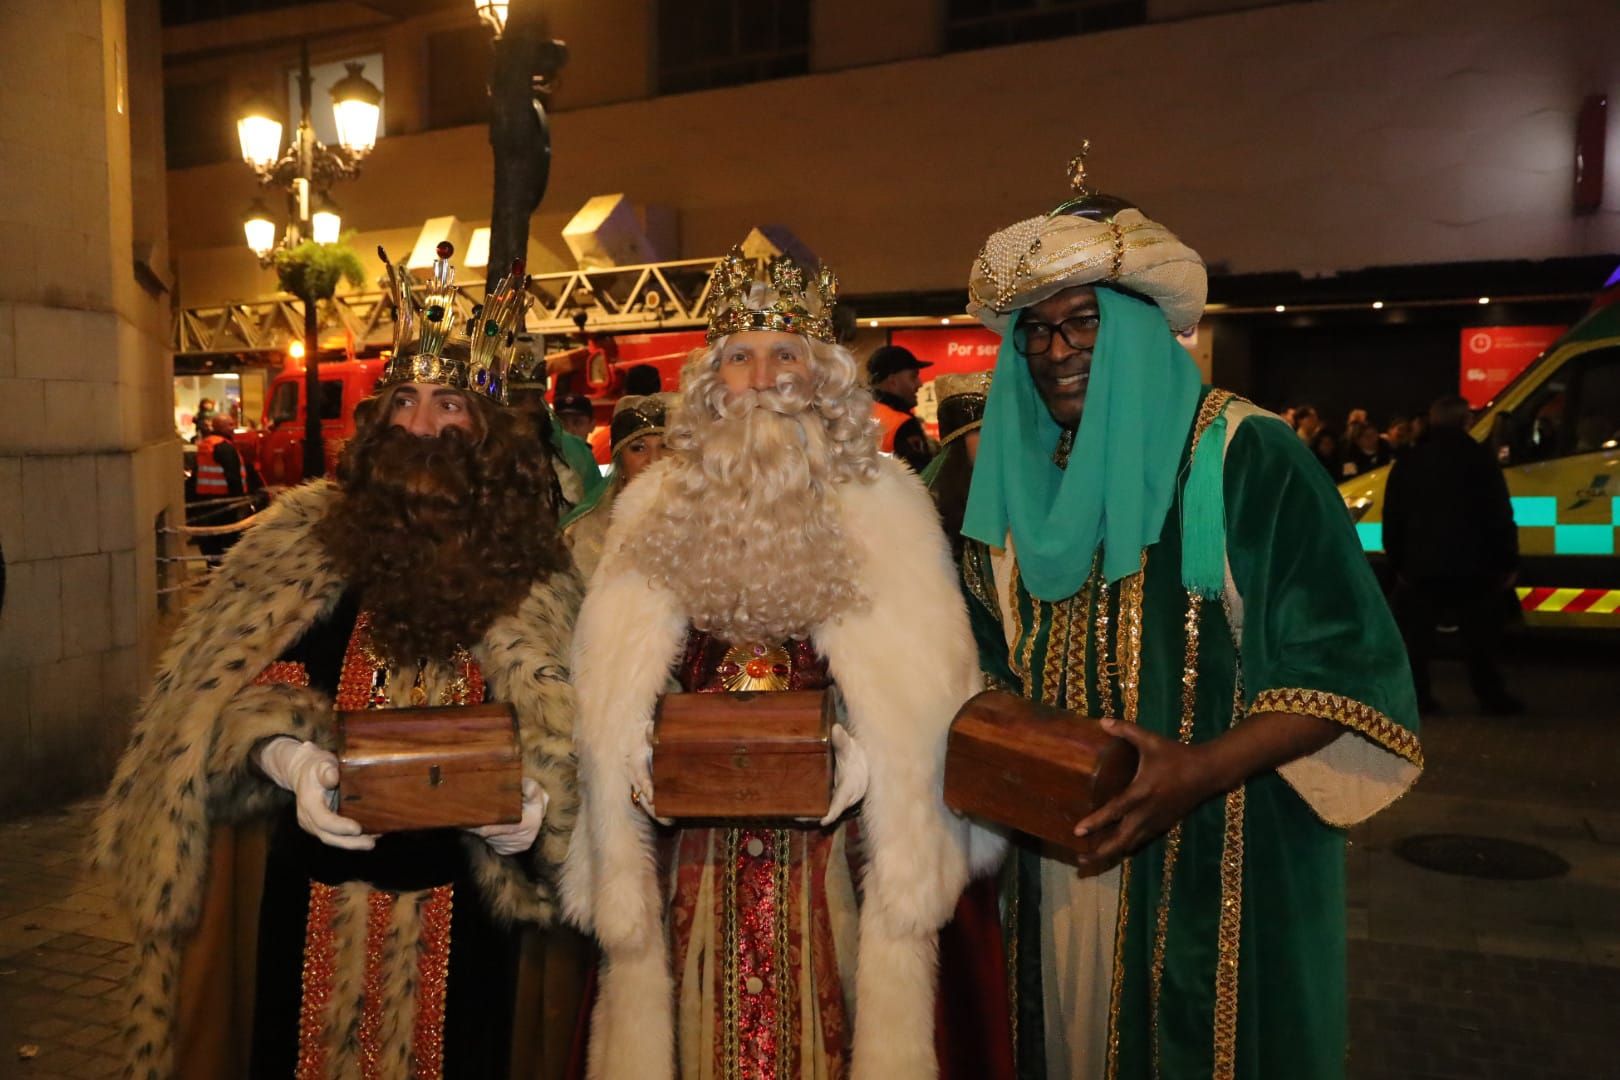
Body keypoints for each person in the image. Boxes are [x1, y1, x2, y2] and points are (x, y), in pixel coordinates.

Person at [960, 152, 1422, 1078]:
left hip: (1219, 853)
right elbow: (979, 644)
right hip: (1050, 863)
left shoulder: (1247, 455)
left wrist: (1197, 772)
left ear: (1139, 324)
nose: (1055, 352)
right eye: (1035, 330)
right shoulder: (1008, 473)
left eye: (1083, 321)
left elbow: (1345, 667)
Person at [94, 249, 586, 1079]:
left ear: (485, 429)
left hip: (475, 920)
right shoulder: (305, 545)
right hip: (312, 892)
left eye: (448, 404)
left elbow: (574, 733)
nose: (420, 425)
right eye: (403, 402)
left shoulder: (539, 569)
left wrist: (539, 811)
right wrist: (286, 758)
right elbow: (237, 689)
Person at [561, 244, 1006, 1078]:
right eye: (740, 357)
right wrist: (631, 754)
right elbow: (612, 678)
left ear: (821, 376)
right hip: (690, 852)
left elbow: (933, 684)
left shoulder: (887, 502)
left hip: (838, 856)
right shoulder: (654, 506)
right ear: (711, 380)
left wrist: (875, 757)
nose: (763, 379)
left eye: (785, 356)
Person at [1383, 394, 1522, 715]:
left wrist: (1398, 562)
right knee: (1480, 639)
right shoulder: (1481, 460)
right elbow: (1499, 514)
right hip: (1474, 566)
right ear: (1466, 421)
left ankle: (1418, 698)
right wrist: (1508, 560)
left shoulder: (1409, 462)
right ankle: (1490, 696)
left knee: (1417, 641)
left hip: (1420, 566)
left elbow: (1393, 516)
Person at [561, 391, 672, 579]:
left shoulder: (708, 520)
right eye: (638, 448)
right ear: (621, 463)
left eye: (665, 446)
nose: (654, 460)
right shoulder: (585, 532)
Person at [866, 343, 936, 472]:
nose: (920, 383)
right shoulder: (902, 424)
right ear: (893, 381)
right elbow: (922, 476)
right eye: (913, 376)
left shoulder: (858, 414)